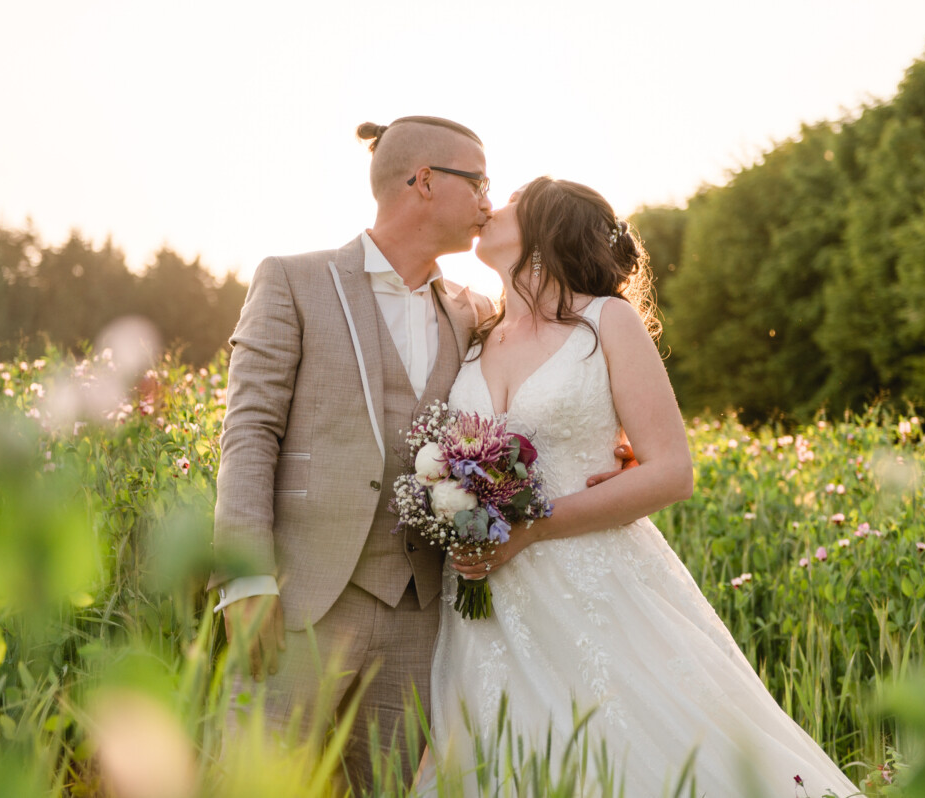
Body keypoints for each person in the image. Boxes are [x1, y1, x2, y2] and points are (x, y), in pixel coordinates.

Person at [425, 177, 863, 797]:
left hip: (589, 579)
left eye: (511, 203)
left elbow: (670, 470)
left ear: (546, 233)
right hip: (482, 601)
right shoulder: (469, 330)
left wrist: (533, 528)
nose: (489, 209)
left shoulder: (604, 322)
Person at [209, 115, 495, 790]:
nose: (491, 201)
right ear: (423, 182)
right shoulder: (292, 281)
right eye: (479, 181)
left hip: (419, 612)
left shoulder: (476, 311)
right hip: (299, 601)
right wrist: (244, 581)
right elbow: (248, 431)